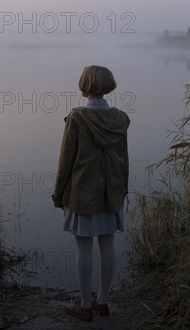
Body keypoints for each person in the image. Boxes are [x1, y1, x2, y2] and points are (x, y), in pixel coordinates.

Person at [52, 65, 130, 322]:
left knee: (83, 248)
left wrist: (58, 194)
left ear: (84, 85)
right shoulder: (120, 118)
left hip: (83, 193)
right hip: (112, 192)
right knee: (107, 246)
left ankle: (85, 305)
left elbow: (66, 160)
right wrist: (123, 189)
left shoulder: (77, 117)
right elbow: (123, 159)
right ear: (109, 85)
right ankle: (104, 301)